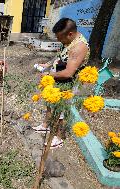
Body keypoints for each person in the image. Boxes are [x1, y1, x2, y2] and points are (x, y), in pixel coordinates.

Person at [32, 18, 90, 149]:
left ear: (70, 34)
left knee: (62, 110)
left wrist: (48, 75)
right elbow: (60, 55)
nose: (58, 40)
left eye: (60, 38)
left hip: (68, 83)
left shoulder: (79, 47)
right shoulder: (69, 41)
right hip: (57, 77)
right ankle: (45, 126)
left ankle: (58, 137)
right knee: (49, 102)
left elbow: (69, 73)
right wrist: (47, 64)